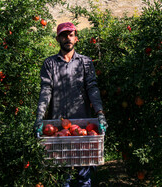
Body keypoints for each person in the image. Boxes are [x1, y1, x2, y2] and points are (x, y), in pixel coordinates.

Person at [34, 22, 108, 187]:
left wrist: (100, 114)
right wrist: (39, 117)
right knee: (63, 177)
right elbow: (46, 90)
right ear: (58, 39)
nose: (68, 38)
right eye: (64, 35)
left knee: (84, 175)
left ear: (76, 38)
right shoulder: (50, 64)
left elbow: (92, 89)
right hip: (59, 127)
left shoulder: (85, 62)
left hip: (83, 127)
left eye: (71, 35)